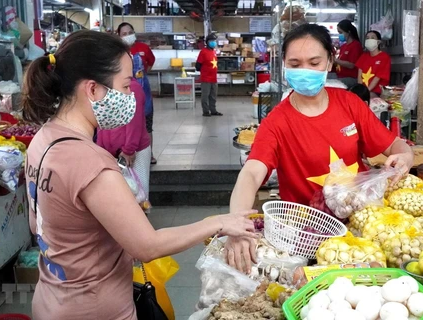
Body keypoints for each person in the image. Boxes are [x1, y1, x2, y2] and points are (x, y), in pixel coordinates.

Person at [22, 30, 256, 320]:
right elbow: (147, 245)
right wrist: (218, 222)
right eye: (124, 85)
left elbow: (38, 224)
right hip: (95, 309)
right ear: (92, 90)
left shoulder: (43, 139)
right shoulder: (90, 162)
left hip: (51, 298)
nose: (131, 95)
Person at [225, 24, 414, 272]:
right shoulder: (277, 122)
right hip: (305, 238)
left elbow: (393, 145)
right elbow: (251, 173)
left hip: (359, 232)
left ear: (329, 61)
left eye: (314, 63)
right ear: (284, 64)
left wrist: (406, 155)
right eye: (295, 64)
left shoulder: (350, 104)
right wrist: (237, 224)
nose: (305, 70)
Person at [97, 78, 151, 203]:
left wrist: (129, 149)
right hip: (110, 153)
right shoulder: (104, 87)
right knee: (119, 196)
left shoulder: (133, 88)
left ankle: (140, 221)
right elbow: (100, 122)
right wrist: (100, 149)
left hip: (134, 151)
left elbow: (134, 122)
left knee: (139, 196)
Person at [117, 22, 157, 164]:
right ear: (119, 36)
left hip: (144, 95)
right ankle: (125, 152)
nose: (128, 36)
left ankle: (149, 154)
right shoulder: (117, 52)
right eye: (124, 34)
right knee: (128, 126)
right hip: (124, 96)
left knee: (147, 126)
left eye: (130, 32)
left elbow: (151, 62)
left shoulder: (143, 48)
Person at [355, 30, 391, 98]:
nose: (369, 40)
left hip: (377, 92)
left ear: (378, 42)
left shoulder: (384, 57)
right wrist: (360, 91)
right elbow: (359, 77)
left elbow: (377, 78)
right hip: (363, 91)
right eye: (367, 38)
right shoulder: (363, 56)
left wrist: (366, 92)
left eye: (372, 38)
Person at [196, 33, 223, 117]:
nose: (213, 43)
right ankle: (206, 111)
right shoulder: (203, 52)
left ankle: (213, 110)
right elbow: (198, 65)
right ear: (207, 42)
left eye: (214, 41)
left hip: (213, 78)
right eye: (211, 41)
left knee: (213, 96)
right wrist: (205, 71)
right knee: (205, 96)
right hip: (206, 78)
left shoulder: (214, 52)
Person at [334, 20, 363, 87]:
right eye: (338, 33)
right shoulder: (343, 46)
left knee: (332, 84)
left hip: (351, 78)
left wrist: (335, 60)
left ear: (348, 32)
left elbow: (351, 65)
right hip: (340, 75)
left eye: (341, 32)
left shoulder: (356, 45)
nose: (339, 35)